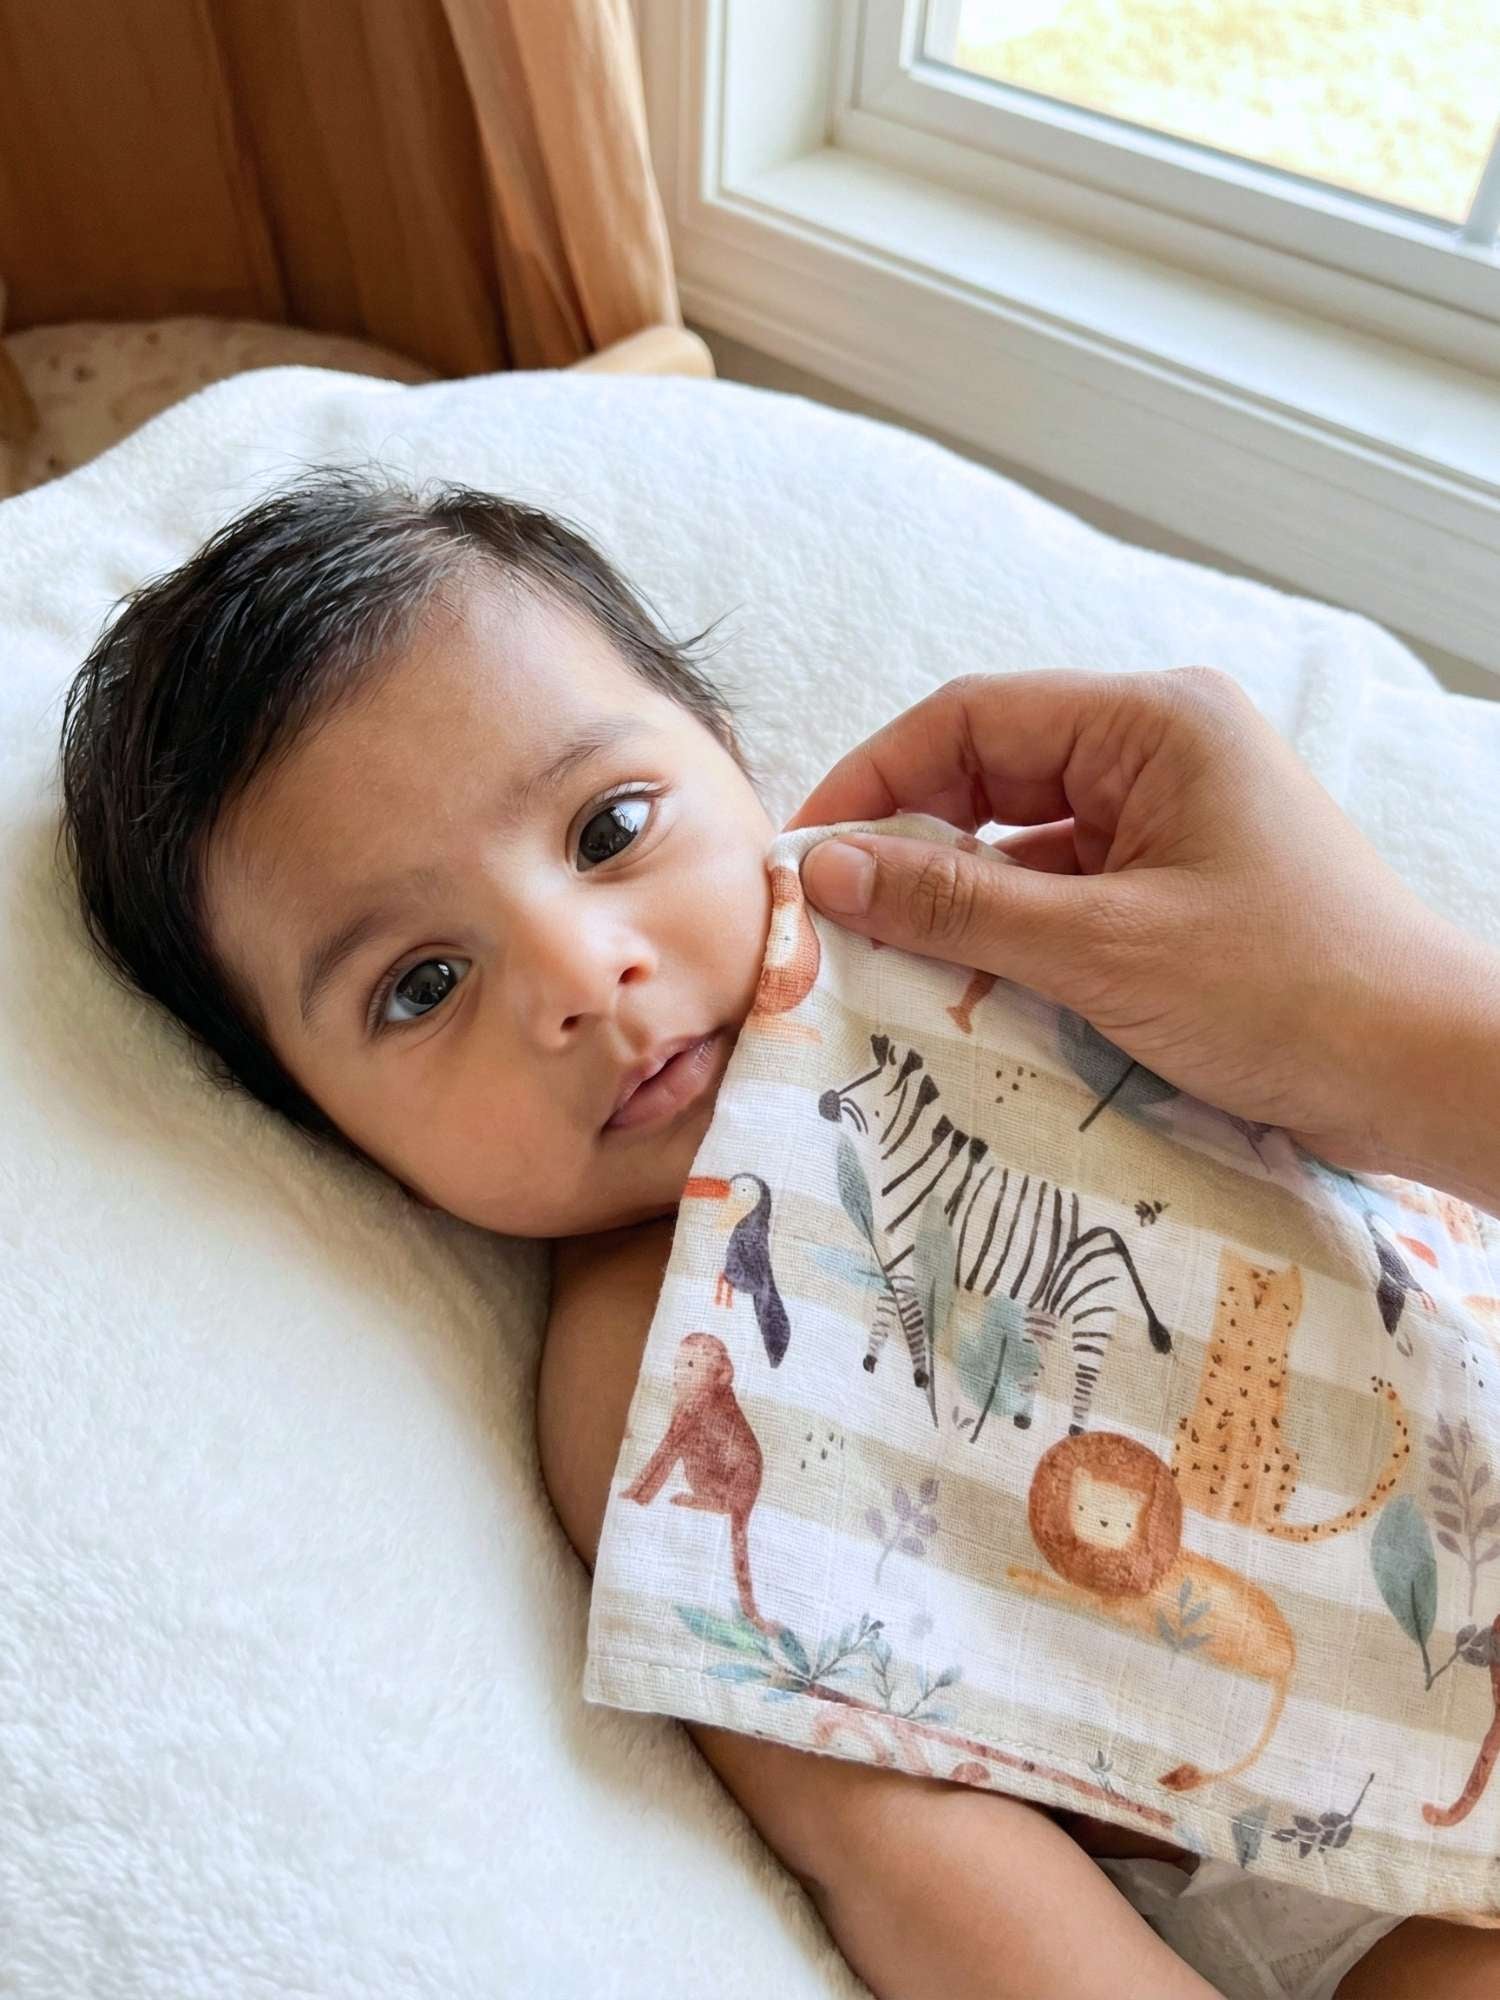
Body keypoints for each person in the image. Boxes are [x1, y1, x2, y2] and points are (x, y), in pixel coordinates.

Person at [55, 471, 1500, 2000]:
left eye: (610, 828)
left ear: (736, 758)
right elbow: (896, 1827)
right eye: (421, 987)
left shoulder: (1010, 934)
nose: (580, 969)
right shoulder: (646, 1363)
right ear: (336, 1138)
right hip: (1380, 1865)